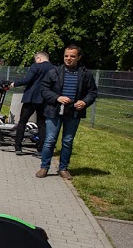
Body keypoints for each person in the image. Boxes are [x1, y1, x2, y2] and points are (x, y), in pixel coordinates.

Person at [37, 44, 98, 180]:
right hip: (54, 111)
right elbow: (44, 89)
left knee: (67, 141)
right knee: (50, 140)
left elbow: (92, 92)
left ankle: (63, 168)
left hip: (74, 112)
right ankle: (44, 167)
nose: (68, 58)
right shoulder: (54, 72)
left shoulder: (85, 74)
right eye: (66, 56)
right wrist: (57, 97)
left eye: (72, 56)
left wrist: (85, 102)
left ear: (78, 57)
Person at [13, 51, 52, 155]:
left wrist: (15, 83)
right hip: (44, 99)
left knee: (23, 121)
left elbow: (28, 80)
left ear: (39, 58)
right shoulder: (54, 69)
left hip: (31, 97)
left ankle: (18, 146)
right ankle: (40, 148)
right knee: (41, 123)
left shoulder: (36, 66)